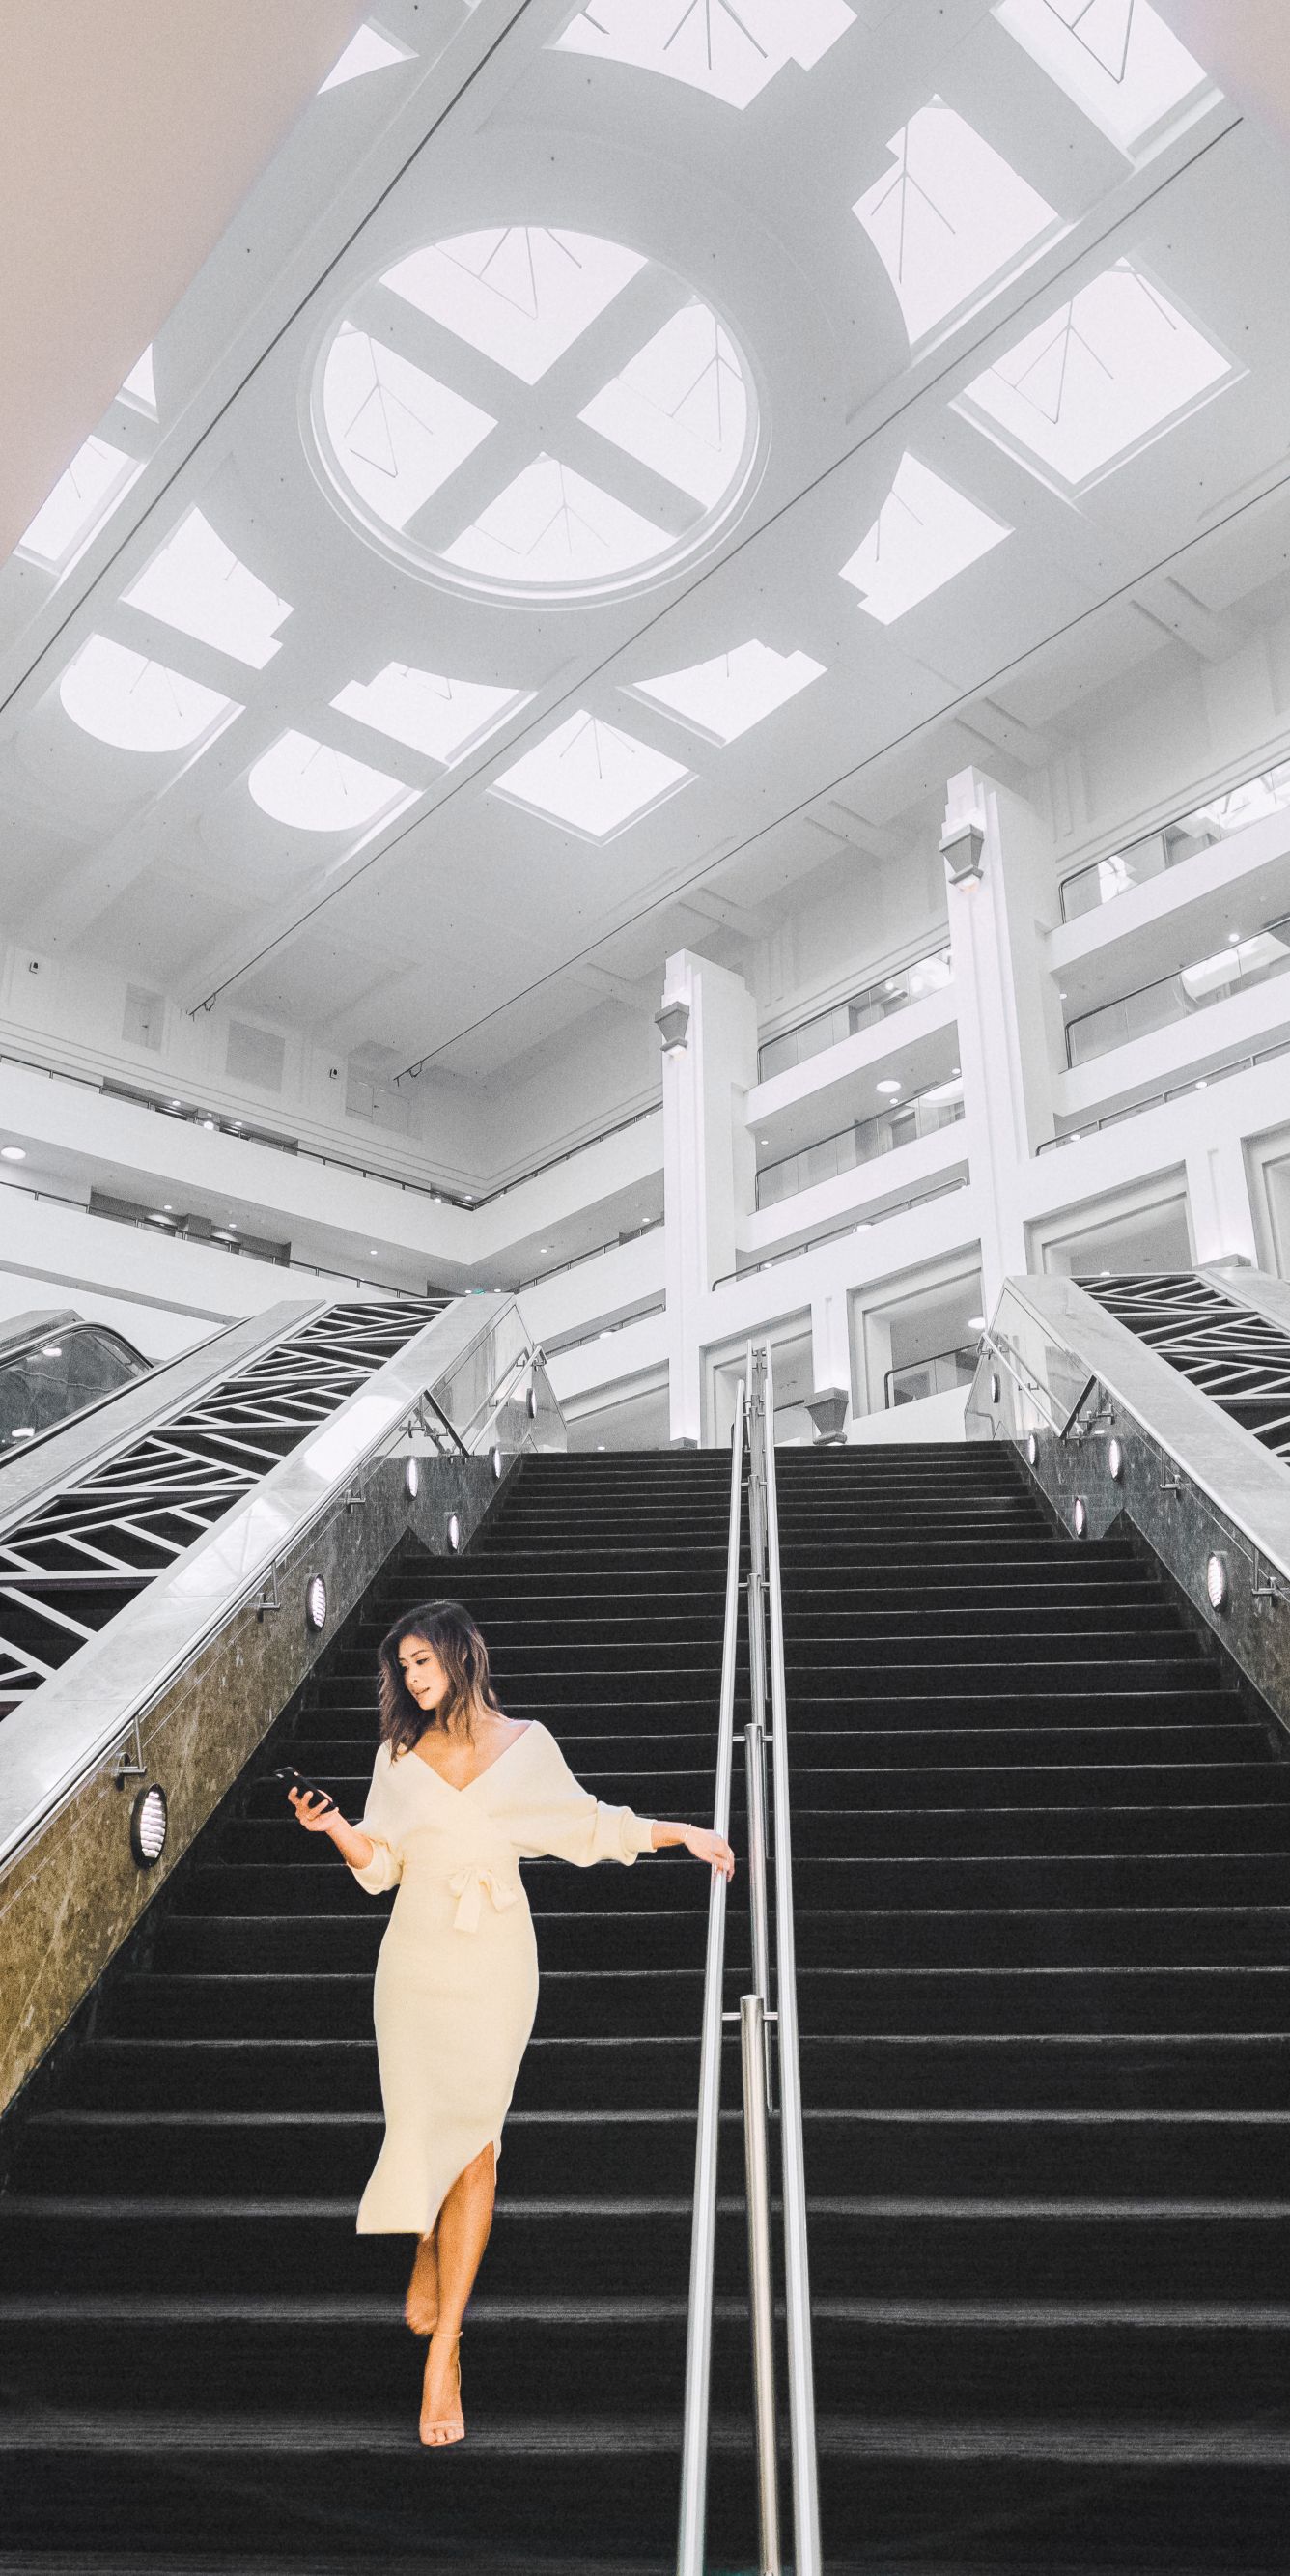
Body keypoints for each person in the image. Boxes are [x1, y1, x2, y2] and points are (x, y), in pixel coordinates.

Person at [288, 1597, 735, 2448]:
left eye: (423, 1662)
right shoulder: (397, 1753)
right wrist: (338, 1826)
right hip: (415, 1961)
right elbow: (382, 1867)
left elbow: (591, 1826)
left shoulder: (527, 1745)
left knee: (479, 2142)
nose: (412, 1679)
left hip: (494, 1960)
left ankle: (446, 2348)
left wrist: (686, 1834)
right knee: (423, 2124)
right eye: (403, 1668)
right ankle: (424, 2235)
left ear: (461, 1655)